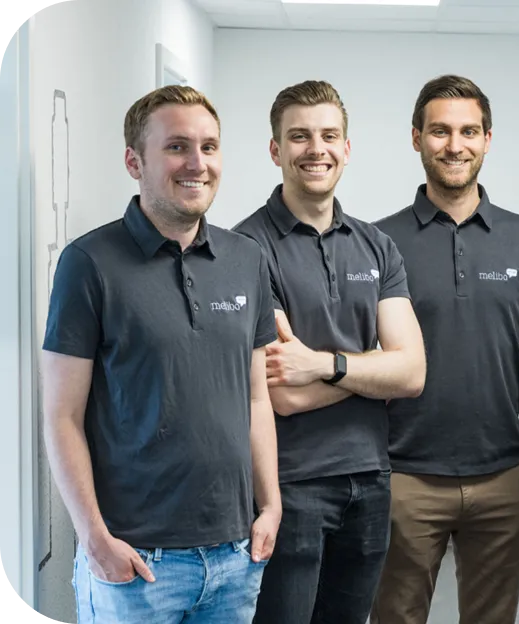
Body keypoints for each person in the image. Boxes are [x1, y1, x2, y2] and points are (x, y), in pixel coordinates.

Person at [41, 85, 280, 623]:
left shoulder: (246, 259)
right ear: (134, 161)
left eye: (210, 147)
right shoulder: (89, 263)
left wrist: (271, 506)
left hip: (234, 556)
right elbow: (62, 417)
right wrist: (94, 538)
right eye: (177, 147)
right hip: (136, 564)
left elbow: (256, 397)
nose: (198, 163)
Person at [232, 80, 427, 623]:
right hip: (291, 485)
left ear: (346, 147)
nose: (315, 149)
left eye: (328, 136)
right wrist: (371, 368)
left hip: (370, 477)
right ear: (276, 150)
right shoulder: (245, 249)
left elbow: (412, 372)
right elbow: (280, 394)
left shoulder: (376, 245)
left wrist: (323, 363)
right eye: (299, 136)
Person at [370, 74, 519, 624]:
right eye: (440, 131)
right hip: (405, 478)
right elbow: (370, 362)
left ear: (488, 138)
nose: (455, 145)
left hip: (504, 476)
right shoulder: (379, 241)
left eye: (469, 131)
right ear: (416, 138)